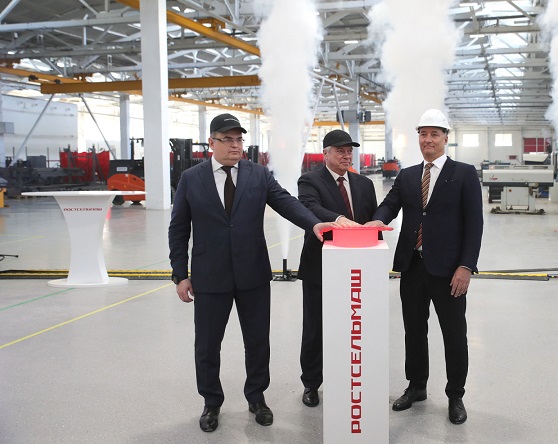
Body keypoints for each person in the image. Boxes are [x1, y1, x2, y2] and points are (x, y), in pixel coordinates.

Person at [168, 113, 335, 432]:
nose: (235, 145)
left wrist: (314, 224)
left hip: (252, 274)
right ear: (211, 143)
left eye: (239, 139)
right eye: (227, 139)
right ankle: (211, 402)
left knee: (257, 341)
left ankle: (257, 398)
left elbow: (286, 202)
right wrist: (180, 273)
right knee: (207, 345)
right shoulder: (191, 178)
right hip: (209, 275)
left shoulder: (258, 174)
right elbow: (178, 228)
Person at [367, 109, 483, 424]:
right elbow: (389, 205)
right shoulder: (407, 175)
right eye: (423, 134)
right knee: (414, 331)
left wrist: (466, 266)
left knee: (454, 334)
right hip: (413, 266)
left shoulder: (464, 173)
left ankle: (455, 395)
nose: (428, 139)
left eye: (434, 134)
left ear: (446, 138)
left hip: (449, 271)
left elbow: (474, 225)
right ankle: (416, 386)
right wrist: (374, 223)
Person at [296, 129, 379, 407]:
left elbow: (372, 220)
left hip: (359, 268)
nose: (346, 155)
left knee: (356, 326)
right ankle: (311, 383)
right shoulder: (310, 180)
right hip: (320, 267)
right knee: (316, 327)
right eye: (340, 151)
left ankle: (351, 377)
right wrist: (340, 220)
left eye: (349, 151)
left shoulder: (364, 184)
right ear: (326, 153)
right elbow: (310, 207)